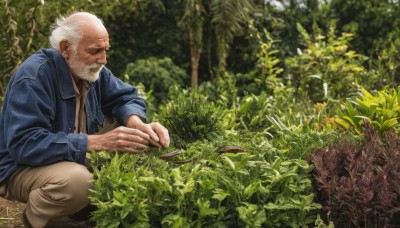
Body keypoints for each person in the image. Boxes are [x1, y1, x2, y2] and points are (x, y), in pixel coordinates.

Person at [0, 11, 170, 228]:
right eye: (95, 51)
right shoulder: (34, 77)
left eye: (105, 50)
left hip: (62, 154)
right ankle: (41, 219)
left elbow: (125, 97)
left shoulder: (91, 70)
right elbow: (24, 145)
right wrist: (99, 142)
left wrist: (136, 123)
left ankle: (82, 212)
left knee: (132, 136)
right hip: (18, 167)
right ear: (65, 49)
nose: (103, 59)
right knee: (78, 182)